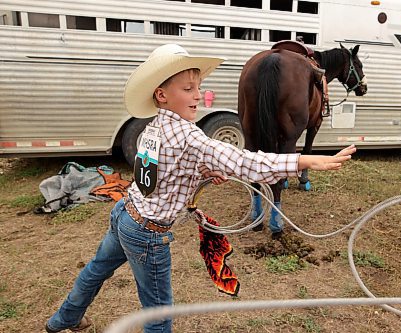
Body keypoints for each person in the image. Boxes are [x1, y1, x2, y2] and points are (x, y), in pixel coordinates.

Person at [45, 44, 356, 333]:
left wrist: (203, 174)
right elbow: (245, 161)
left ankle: (63, 319)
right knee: (157, 313)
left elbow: (162, 177)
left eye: (197, 87)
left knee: (95, 271)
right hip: (148, 235)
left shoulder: (151, 128)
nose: (198, 95)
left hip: (125, 215)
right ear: (162, 95)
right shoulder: (190, 138)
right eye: (187, 88)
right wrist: (304, 161)